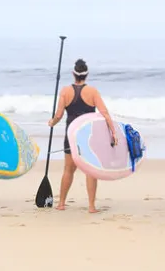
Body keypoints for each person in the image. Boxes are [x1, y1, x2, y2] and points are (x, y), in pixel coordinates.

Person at [47, 59, 118, 213]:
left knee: (68, 169)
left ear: (73, 74)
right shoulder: (92, 92)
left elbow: (58, 115)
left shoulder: (65, 91)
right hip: (88, 135)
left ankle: (62, 203)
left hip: (71, 135)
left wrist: (52, 122)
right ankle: (91, 206)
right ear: (86, 74)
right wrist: (113, 132)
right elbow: (104, 113)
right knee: (91, 170)